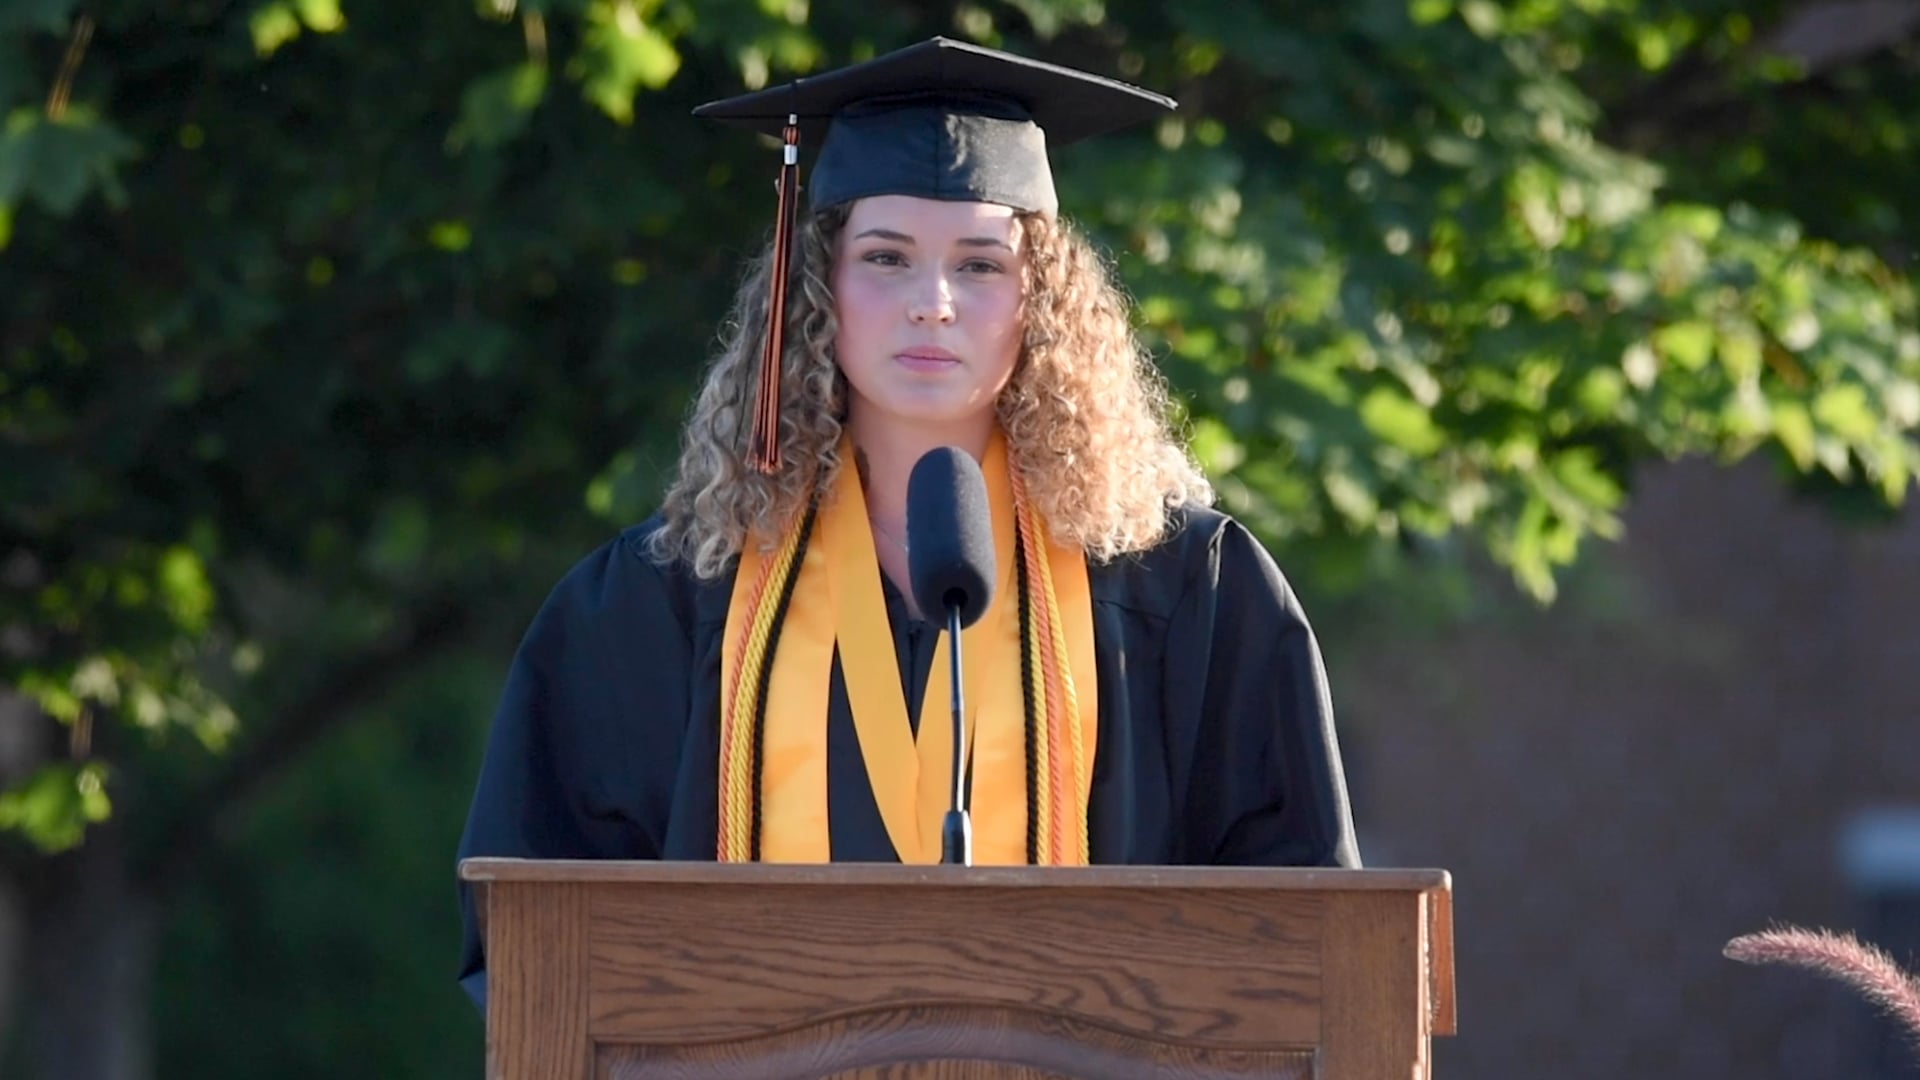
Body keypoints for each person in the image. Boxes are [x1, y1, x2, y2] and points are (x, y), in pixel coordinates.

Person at [454, 36, 1360, 1008]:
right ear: (818, 287)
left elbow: (1297, 929)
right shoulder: (671, 589)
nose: (933, 305)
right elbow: (543, 939)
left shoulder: (1185, 585)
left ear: (1040, 304)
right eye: (886, 258)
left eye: (979, 265)